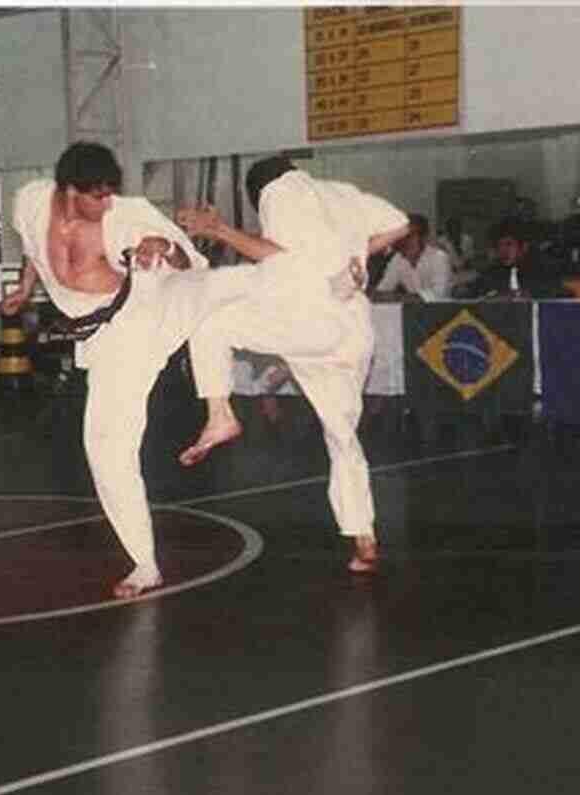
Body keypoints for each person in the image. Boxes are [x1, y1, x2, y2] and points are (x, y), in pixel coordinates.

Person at [2, 141, 260, 599]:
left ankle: (221, 410)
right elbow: (29, 247)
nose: (106, 203)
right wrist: (24, 288)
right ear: (67, 191)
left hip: (144, 311)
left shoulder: (129, 214)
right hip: (101, 338)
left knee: (221, 288)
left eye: (109, 193)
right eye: (95, 196)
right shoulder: (29, 200)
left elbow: (190, 264)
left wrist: (165, 249)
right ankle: (146, 564)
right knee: (103, 448)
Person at [175, 156, 410, 574]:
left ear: (259, 190)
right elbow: (400, 224)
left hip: (312, 323)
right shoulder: (342, 193)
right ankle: (364, 538)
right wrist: (354, 252)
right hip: (354, 331)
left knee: (212, 323)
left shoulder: (280, 193)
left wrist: (219, 229)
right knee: (342, 438)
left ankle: (219, 415)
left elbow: (277, 254)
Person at [458, 218, 564, 300]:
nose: (503, 250)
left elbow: (554, 294)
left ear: (524, 247)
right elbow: (473, 293)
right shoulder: (493, 272)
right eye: (499, 246)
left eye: (509, 244)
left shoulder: (545, 269)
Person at [373, 213, 452, 301]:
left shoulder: (439, 258)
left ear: (423, 238)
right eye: (400, 236)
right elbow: (381, 292)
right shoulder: (398, 259)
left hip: (442, 312)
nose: (403, 241)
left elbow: (439, 295)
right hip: (412, 312)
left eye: (409, 236)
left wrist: (400, 297)